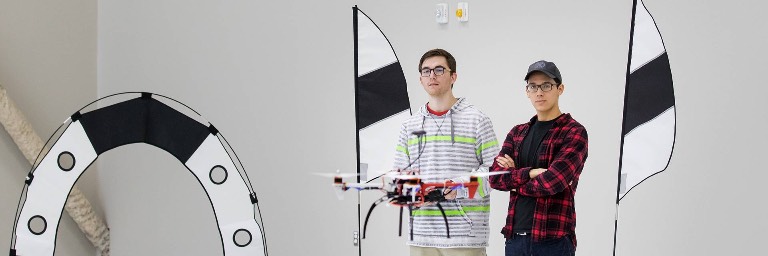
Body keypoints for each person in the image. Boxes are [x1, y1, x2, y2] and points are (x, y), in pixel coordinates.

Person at [393, 48, 499, 256]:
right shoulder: (409, 126)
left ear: (453, 76)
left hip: (465, 238)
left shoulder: (477, 120)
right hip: (421, 236)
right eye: (426, 71)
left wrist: (458, 186)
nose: (432, 75)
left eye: (439, 69)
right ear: (421, 79)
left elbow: (495, 173)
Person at [488, 60, 588, 256]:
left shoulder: (573, 132)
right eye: (533, 86)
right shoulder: (517, 133)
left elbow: (552, 182)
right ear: (527, 91)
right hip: (515, 238)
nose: (539, 92)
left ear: (560, 88)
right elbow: (495, 177)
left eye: (546, 85)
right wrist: (531, 172)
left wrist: (515, 178)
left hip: (553, 240)